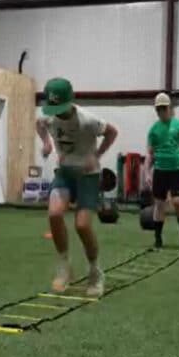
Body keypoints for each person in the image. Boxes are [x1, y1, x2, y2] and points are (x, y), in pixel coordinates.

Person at [36, 77, 119, 297]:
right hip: (64, 173)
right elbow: (40, 124)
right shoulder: (48, 117)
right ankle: (65, 267)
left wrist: (96, 155)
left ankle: (95, 272)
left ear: (70, 102)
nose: (57, 113)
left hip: (87, 176)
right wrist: (46, 143)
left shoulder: (87, 121)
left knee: (82, 225)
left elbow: (112, 132)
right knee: (54, 214)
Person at [144, 93, 179, 248]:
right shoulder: (153, 130)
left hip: (176, 170)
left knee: (178, 202)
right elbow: (149, 154)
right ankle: (158, 238)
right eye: (158, 109)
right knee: (159, 204)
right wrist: (147, 173)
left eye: (164, 108)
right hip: (160, 171)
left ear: (169, 108)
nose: (161, 112)